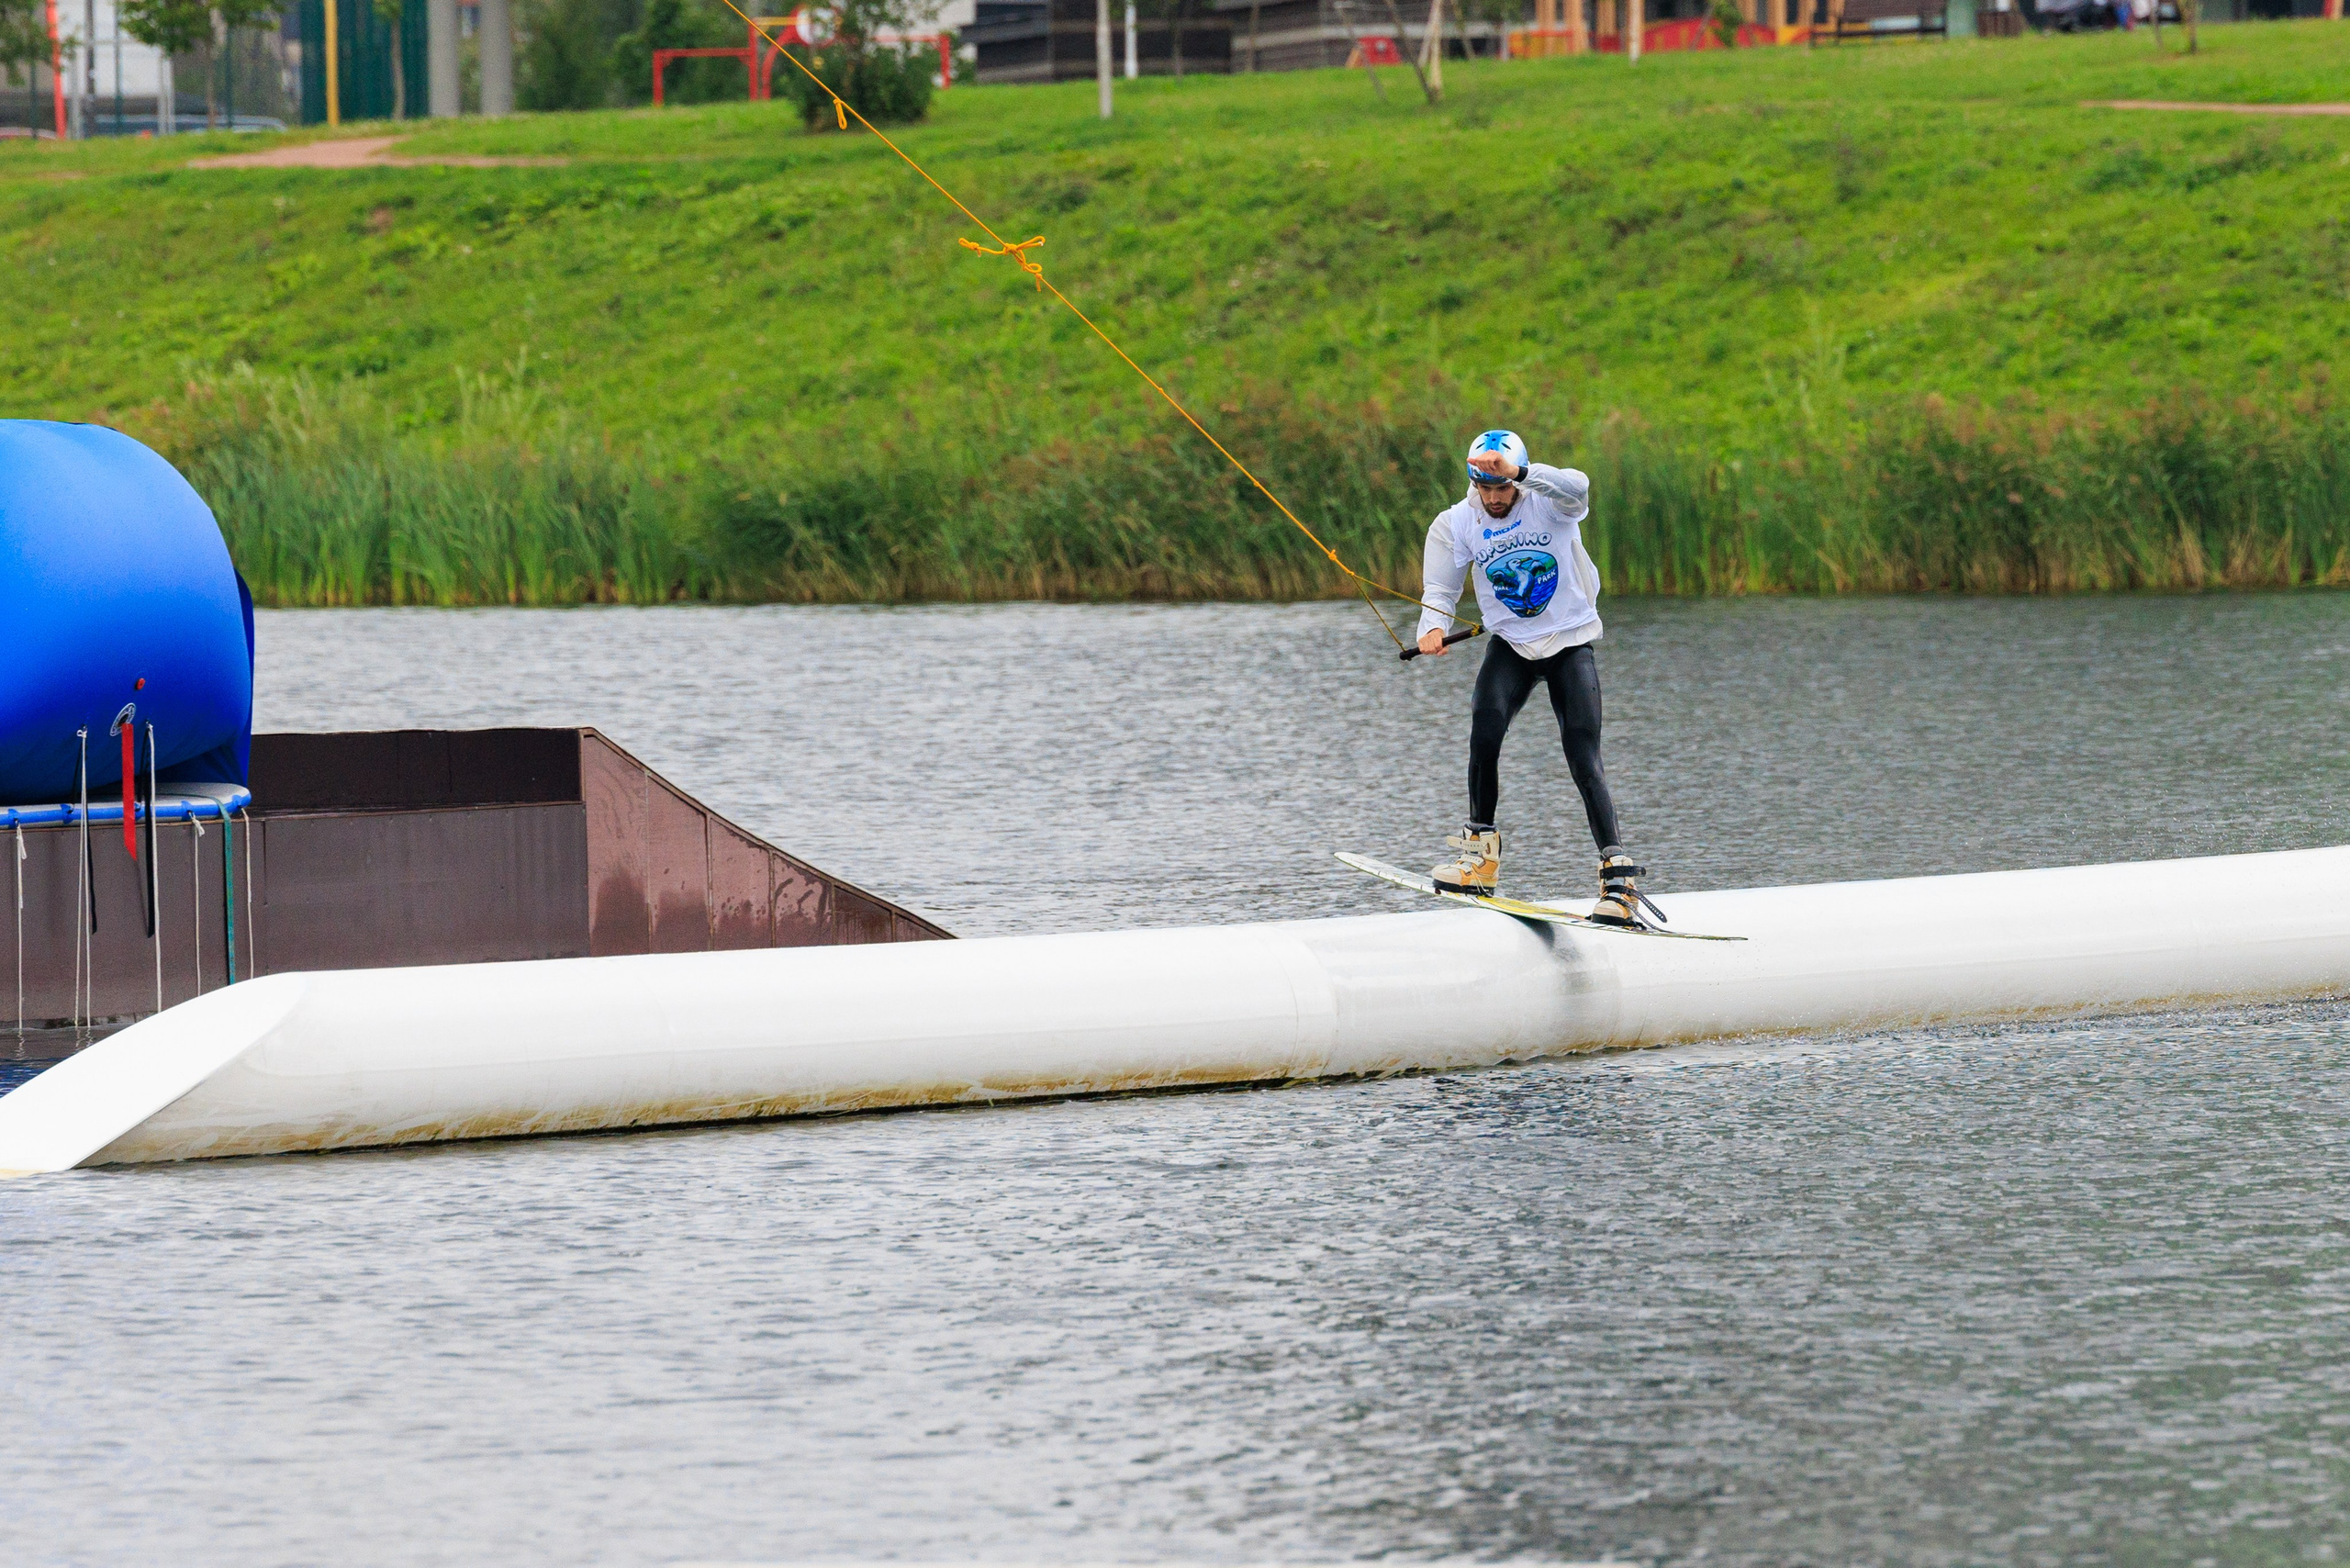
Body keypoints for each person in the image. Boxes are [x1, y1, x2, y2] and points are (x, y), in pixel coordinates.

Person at [1413, 430, 1657, 927]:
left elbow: (1578, 486)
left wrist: (1522, 473)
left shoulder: (1549, 503)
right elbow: (1439, 588)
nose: (1494, 498)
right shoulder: (1457, 522)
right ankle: (1479, 861)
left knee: (1583, 755)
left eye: (1502, 487)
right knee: (1484, 733)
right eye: (1485, 488)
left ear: (1516, 479)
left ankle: (1618, 882)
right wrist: (1432, 626)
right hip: (1512, 647)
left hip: (1569, 642)